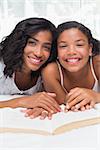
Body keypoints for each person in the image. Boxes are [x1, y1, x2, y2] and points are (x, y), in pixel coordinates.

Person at [0, 17, 61, 117]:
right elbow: (26, 101)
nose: (38, 53)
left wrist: (42, 105)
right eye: (32, 43)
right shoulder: (1, 64)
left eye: (46, 47)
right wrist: (19, 102)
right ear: (19, 43)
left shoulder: (47, 72)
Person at [41, 21, 100, 112]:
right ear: (56, 51)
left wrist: (95, 96)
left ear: (90, 49)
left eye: (79, 45)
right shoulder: (51, 71)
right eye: (63, 46)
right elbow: (67, 105)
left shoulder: (97, 63)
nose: (71, 52)